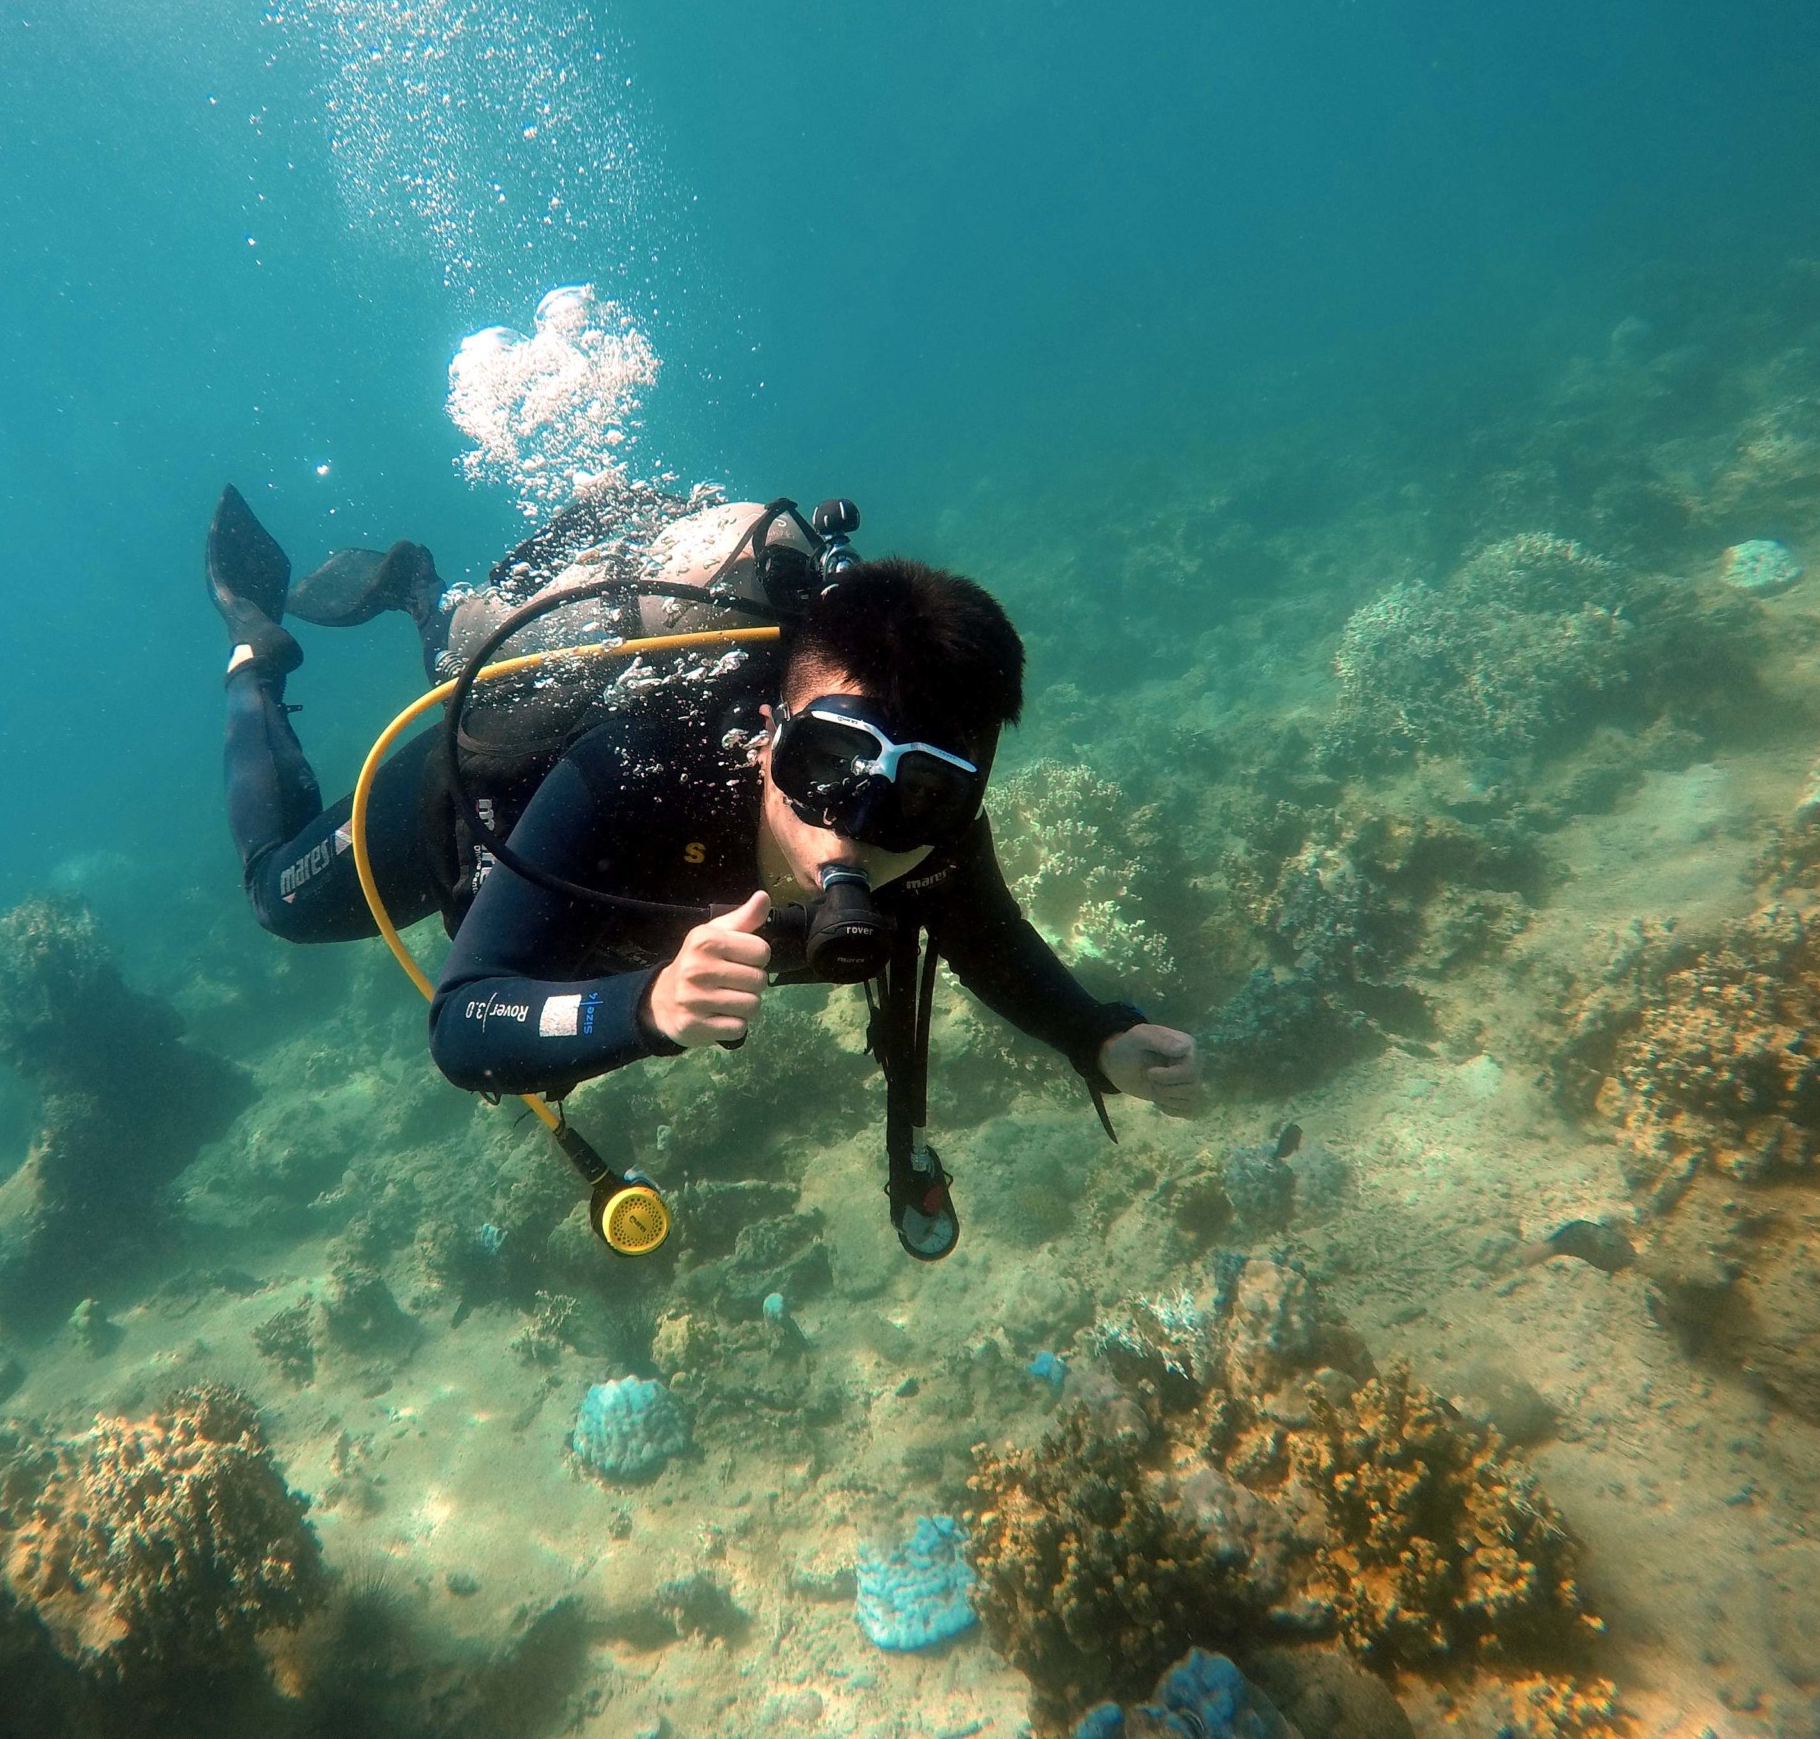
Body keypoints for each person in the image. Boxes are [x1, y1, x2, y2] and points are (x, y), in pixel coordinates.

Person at [206, 485, 1202, 1260]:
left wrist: (1095, 1035)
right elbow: (464, 1025)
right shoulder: (636, 770)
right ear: (770, 732)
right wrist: (647, 1007)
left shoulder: (931, 835)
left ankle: (421, 593)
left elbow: (990, 942)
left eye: (919, 796)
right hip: (466, 821)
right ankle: (261, 646)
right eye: (823, 768)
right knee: (275, 899)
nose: (848, 831)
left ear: (965, 791)